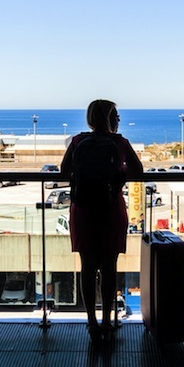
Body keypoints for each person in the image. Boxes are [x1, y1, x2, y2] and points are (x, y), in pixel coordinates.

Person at [60, 99, 142, 343]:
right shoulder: (119, 143)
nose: (118, 120)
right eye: (115, 116)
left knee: (87, 268)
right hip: (110, 209)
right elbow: (138, 171)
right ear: (109, 118)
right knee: (108, 268)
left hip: (83, 210)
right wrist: (117, 176)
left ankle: (91, 323)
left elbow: (64, 171)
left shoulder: (77, 141)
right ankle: (107, 321)